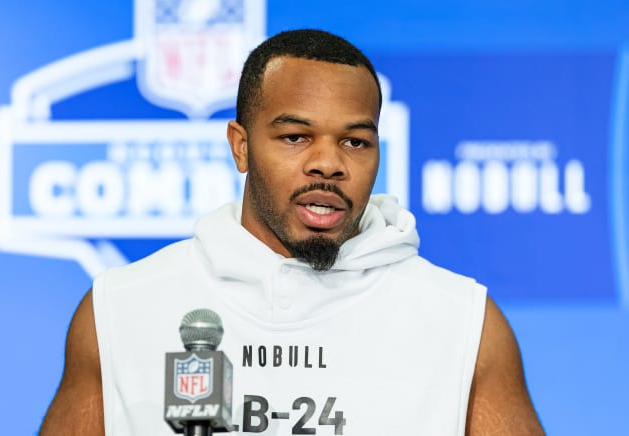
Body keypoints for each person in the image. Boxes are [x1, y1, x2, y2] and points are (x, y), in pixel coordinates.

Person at [40, 29, 544, 435]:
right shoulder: (120, 310)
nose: (327, 163)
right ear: (240, 146)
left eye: (355, 141)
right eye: (295, 136)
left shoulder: (464, 323)